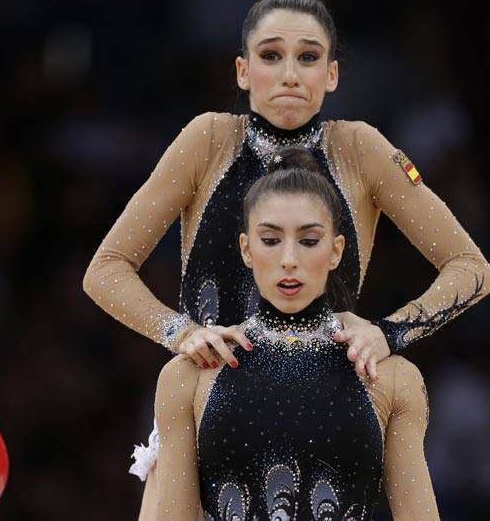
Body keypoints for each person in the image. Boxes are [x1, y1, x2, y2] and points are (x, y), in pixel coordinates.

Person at [81, 0, 490, 503]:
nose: (290, 74)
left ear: (333, 74)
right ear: (243, 70)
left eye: (308, 57)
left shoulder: (360, 150)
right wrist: (179, 332)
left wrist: (389, 333)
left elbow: (471, 267)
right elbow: (107, 267)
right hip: (209, 411)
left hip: (329, 405)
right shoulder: (208, 140)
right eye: (271, 56)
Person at [153, 146, 439, 520]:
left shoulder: (392, 378)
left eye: (308, 241)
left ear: (336, 251)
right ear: (246, 249)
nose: (289, 259)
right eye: (271, 240)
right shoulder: (190, 376)